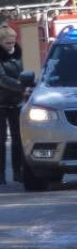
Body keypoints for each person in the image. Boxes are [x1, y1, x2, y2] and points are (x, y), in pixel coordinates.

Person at [0, 26, 25, 184]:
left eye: (13, 42)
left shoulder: (17, 55)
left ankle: (18, 172)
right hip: (1, 103)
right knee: (0, 141)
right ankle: (1, 175)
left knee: (18, 139)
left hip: (16, 102)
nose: (12, 46)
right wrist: (21, 86)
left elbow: (21, 74)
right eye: (8, 43)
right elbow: (2, 79)